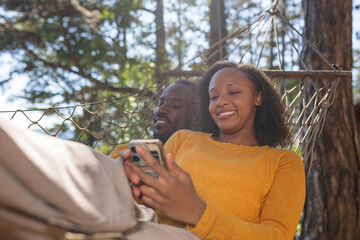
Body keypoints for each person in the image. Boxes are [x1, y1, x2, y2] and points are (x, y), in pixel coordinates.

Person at [123, 62, 306, 239]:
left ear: (257, 97)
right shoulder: (184, 139)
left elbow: (277, 236)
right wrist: (131, 177)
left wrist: (196, 212)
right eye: (213, 96)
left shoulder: (283, 162)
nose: (221, 102)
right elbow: (140, 201)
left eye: (233, 92)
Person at [109, 80, 199, 159]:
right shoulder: (127, 154)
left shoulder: (202, 157)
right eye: (160, 104)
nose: (160, 110)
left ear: (196, 116)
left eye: (175, 105)